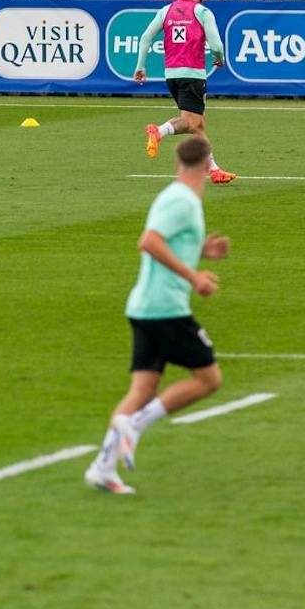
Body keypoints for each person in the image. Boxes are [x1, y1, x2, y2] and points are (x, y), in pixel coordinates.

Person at [83, 136, 231, 495]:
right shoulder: (181, 200)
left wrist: (200, 250)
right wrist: (194, 276)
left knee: (144, 388)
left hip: (147, 307)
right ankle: (134, 424)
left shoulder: (184, 199)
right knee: (209, 379)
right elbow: (149, 241)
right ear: (206, 161)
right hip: (165, 308)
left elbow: (168, 240)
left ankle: (103, 467)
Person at [134, 0, 235, 185]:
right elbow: (216, 44)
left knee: (198, 125)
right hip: (193, 74)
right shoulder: (202, 12)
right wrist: (220, 58)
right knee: (191, 123)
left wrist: (141, 66)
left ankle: (215, 170)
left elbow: (145, 38)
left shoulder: (166, 10)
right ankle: (158, 131)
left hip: (171, 75)